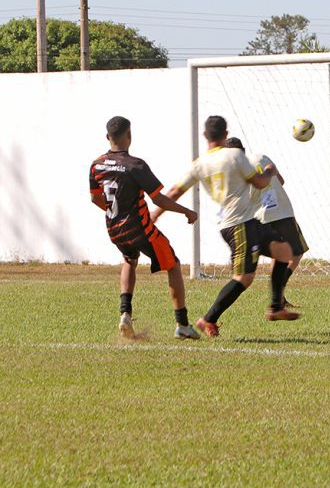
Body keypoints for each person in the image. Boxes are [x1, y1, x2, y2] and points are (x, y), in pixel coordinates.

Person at [151, 115, 299, 337]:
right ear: (226, 134)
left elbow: (174, 192)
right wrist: (270, 171)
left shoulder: (199, 164)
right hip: (238, 225)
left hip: (249, 222)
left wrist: (155, 213)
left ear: (205, 136)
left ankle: (276, 307)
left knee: (284, 251)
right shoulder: (234, 155)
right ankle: (208, 319)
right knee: (244, 278)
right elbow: (259, 182)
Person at [88, 116, 200, 340]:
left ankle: (125, 314)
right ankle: (183, 324)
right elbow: (158, 199)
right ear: (129, 136)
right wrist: (186, 211)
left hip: (113, 228)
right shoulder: (135, 165)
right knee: (173, 264)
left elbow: (95, 199)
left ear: (108, 137)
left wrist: (116, 214)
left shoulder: (96, 165)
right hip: (138, 228)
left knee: (130, 259)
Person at [226, 137, 308, 308]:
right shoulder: (261, 158)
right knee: (295, 254)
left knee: (279, 255)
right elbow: (281, 181)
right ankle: (277, 296)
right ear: (243, 149)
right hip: (282, 213)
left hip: (259, 217)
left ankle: (279, 298)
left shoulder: (233, 175)